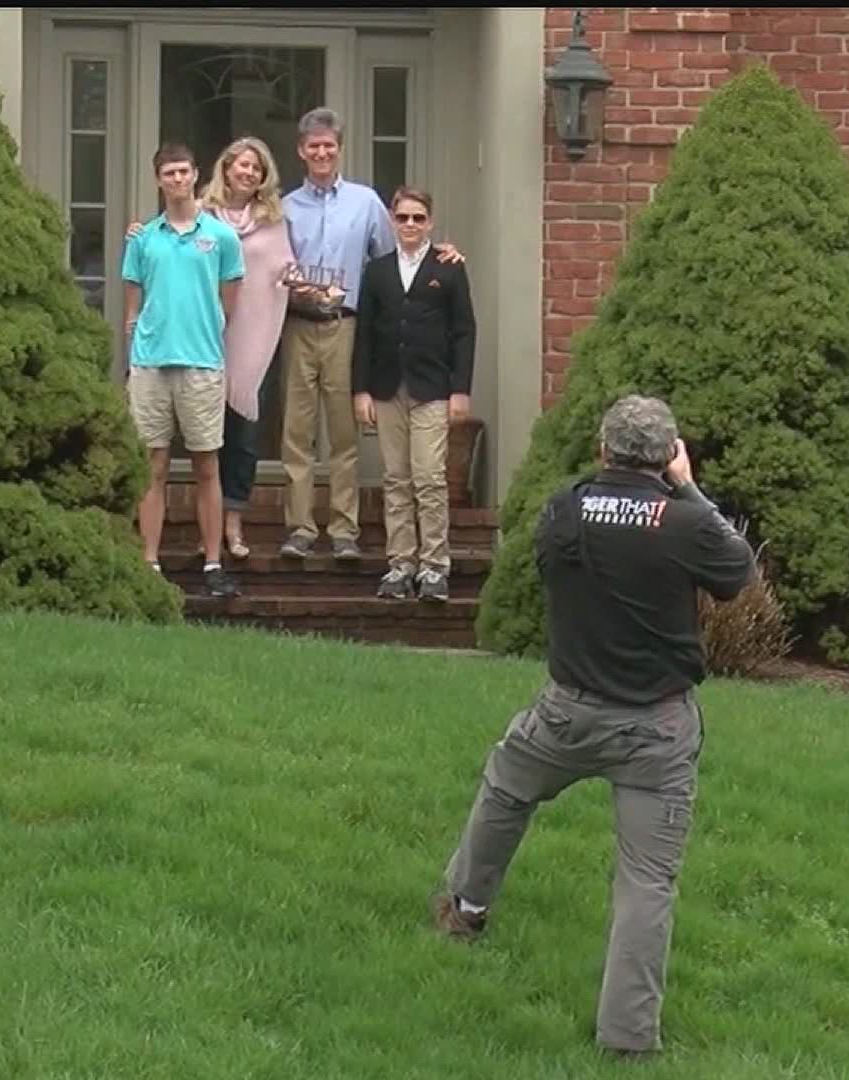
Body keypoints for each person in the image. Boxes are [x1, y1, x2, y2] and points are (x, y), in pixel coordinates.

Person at [428, 394, 756, 1060]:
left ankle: (465, 907)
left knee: (507, 787)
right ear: (669, 457)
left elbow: (553, 565)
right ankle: (629, 1039)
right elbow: (738, 572)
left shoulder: (565, 510)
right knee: (646, 881)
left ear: (603, 450)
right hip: (658, 729)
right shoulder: (685, 521)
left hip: (567, 713)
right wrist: (687, 487)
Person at [275, 108, 464, 562]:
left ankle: (344, 529)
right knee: (296, 433)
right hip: (297, 325)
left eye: (329, 145)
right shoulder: (284, 208)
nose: (322, 152)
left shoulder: (365, 204)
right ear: (302, 151)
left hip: (346, 325)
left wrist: (442, 253)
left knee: (343, 434)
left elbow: (397, 257)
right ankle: (299, 528)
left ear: (339, 149)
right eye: (314, 146)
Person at [120, 142, 245, 598]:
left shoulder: (221, 237)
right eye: (168, 173)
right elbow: (132, 307)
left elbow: (228, 302)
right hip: (151, 364)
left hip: (202, 363)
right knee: (151, 465)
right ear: (158, 180)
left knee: (207, 465)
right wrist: (134, 353)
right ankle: (148, 563)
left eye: (183, 172)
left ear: (196, 175)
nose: (177, 180)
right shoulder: (143, 238)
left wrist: (204, 334)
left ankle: (213, 563)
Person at [352, 187, 475, 603]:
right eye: (402, 217)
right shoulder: (377, 271)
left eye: (418, 218)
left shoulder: (449, 268)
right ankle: (400, 564)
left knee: (429, 478)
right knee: (395, 479)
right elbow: (365, 333)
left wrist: (460, 390)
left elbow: (464, 332)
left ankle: (434, 566)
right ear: (391, 219)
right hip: (387, 387)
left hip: (432, 387)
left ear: (430, 222)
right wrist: (361, 389)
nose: (409, 225)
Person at [201, 136, 296, 558]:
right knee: (202, 433)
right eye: (241, 165)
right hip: (203, 334)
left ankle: (234, 523)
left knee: (241, 434)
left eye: (255, 168)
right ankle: (202, 526)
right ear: (225, 168)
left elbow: (283, 268)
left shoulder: (273, 219)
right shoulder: (201, 215)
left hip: (251, 336)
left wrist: (295, 279)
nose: (248, 172)